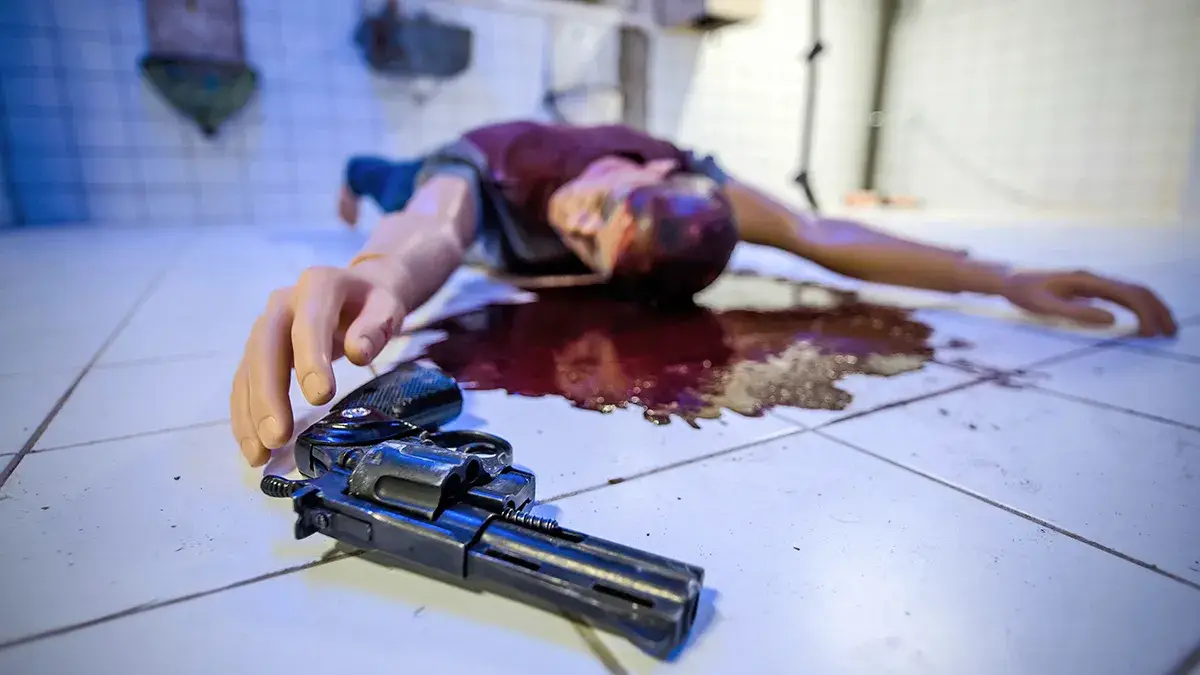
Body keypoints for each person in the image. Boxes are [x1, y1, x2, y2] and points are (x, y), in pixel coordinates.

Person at [230, 120, 1178, 467]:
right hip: (456, 169)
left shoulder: (689, 205)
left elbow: (821, 237)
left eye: (595, 247)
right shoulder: (514, 169)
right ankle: (352, 174)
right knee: (389, 177)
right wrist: (377, 274)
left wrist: (1001, 278)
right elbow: (433, 232)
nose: (579, 220)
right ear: (656, 173)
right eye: (608, 205)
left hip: (504, 213)